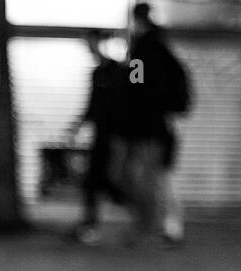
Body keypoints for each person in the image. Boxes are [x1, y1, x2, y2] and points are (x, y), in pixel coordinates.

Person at [121, 3, 189, 247]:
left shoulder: (142, 51)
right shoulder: (164, 50)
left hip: (148, 128)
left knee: (145, 178)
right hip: (162, 126)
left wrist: (131, 111)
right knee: (161, 178)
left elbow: (135, 86)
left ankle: (149, 227)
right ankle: (169, 228)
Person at [69, 30, 127, 245]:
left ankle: (145, 223)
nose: (89, 49)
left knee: (115, 184)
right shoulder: (97, 73)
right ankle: (90, 225)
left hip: (116, 138)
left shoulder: (121, 71)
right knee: (94, 182)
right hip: (101, 137)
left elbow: (127, 103)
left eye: (91, 44)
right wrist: (76, 126)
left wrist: (122, 135)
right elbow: (92, 105)